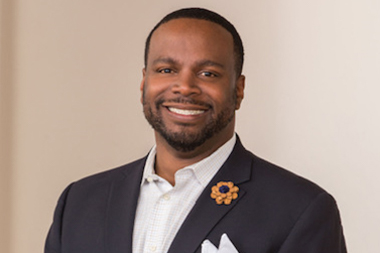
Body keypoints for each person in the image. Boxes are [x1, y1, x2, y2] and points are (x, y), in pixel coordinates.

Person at [45, 8, 347, 253]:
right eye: (166, 70)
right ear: (144, 83)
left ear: (238, 90)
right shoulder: (80, 201)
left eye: (208, 73)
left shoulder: (300, 209)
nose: (185, 87)